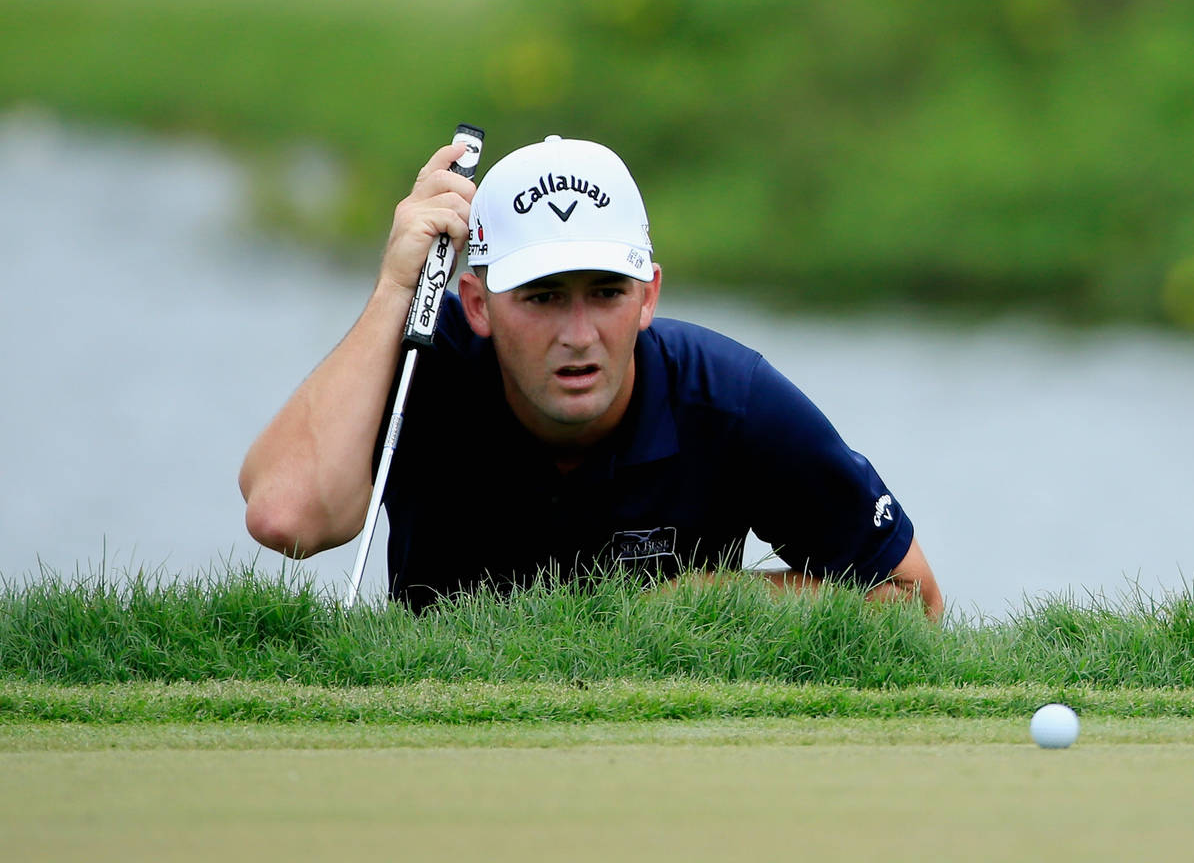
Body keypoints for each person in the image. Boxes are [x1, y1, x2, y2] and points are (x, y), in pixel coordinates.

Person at [239, 134, 940, 616]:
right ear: (478, 304)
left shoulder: (730, 399)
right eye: (542, 298)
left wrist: (701, 598)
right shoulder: (427, 359)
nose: (579, 336)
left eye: (606, 292)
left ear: (649, 296)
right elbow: (286, 518)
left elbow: (911, 599)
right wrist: (396, 290)